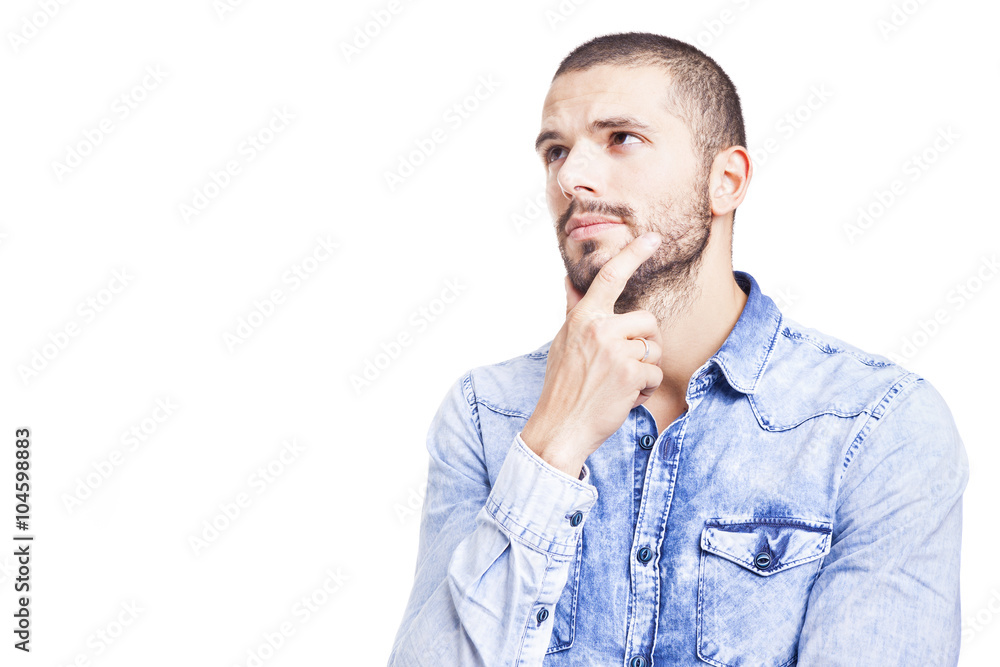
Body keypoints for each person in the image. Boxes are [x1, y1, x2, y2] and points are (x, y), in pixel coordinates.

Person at [387, 32, 969, 666]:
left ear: (725, 180)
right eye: (555, 151)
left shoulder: (878, 425)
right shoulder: (486, 414)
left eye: (621, 139)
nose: (572, 177)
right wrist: (554, 445)